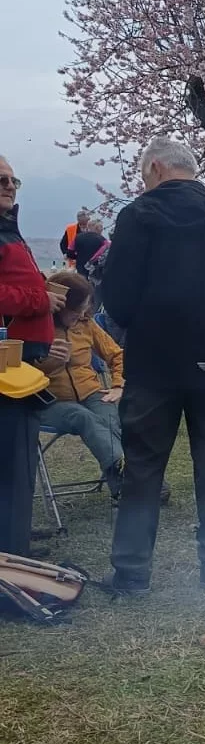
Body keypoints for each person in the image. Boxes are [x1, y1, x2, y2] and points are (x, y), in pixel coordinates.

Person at [103, 136, 205, 594]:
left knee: (144, 465)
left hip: (154, 362)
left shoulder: (137, 216)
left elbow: (117, 299)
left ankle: (132, 573)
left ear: (154, 167)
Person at [0, 155, 63, 557]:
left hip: (24, 368)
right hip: (7, 370)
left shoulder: (9, 230)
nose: (9, 185)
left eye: (12, 179)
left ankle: (14, 541)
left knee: (18, 462)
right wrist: (40, 299)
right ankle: (11, 553)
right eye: (1, 180)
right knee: (10, 466)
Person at [34, 272, 126, 497]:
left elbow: (117, 355)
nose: (82, 315)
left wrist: (117, 385)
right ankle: (131, 477)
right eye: (76, 312)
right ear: (59, 305)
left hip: (90, 391)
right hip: (49, 401)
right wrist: (52, 362)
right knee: (82, 417)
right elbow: (23, 372)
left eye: (85, 309)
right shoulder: (36, 327)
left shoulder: (86, 324)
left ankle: (123, 484)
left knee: (110, 418)